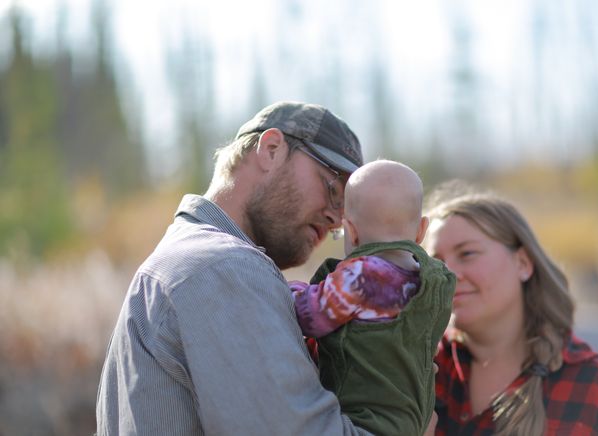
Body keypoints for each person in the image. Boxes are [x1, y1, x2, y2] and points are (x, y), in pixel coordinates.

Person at [96, 101, 411, 435]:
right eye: (333, 187)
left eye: (348, 208)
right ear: (271, 149)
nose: (338, 218)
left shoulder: (184, 259)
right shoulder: (224, 268)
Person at [424, 181, 598, 436]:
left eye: (467, 254)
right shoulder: (414, 377)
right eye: (435, 262)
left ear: (523, 263)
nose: (447, 274)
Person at [289, 160, 456, 435]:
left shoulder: (362, 276)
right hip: (416, 416)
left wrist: (290, 289)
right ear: (421, 230)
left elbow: (310, 316)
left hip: (364, 420)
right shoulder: (438, 281)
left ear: (351, 232)